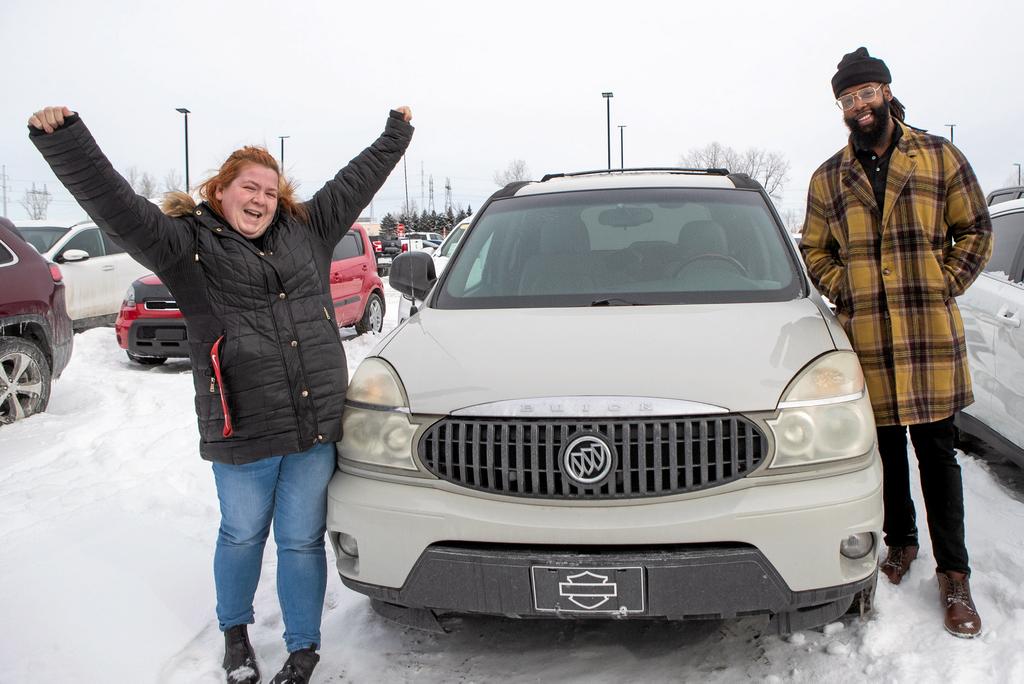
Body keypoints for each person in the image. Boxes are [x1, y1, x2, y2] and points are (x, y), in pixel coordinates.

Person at [28, 104, 413, 682]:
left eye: (269, 190)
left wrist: (395, 133)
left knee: (302, 541)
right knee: (241, 534)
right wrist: (65, 141)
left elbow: (356, 180)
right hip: (243, 427)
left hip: (313, 425)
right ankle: (235, 633)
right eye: (247, 187)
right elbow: (115, 204)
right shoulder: (185, 245)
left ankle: (303, 648)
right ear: (220, 189)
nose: (259, 198)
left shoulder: (306, 231)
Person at [800, 48, 992, 638]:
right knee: (884, 454)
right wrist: (847, 291)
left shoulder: (937, 157)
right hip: (870, 339)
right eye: (847, 100)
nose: (858, 107)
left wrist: (943, 283)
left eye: (865, 94)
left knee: (938, 455)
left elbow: (976, 230)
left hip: (927, 335)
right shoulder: (829, 176)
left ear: (886, 91)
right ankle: (901, 543)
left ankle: (954, 575)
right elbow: (814, 250)